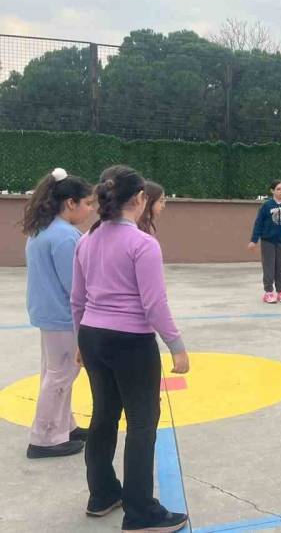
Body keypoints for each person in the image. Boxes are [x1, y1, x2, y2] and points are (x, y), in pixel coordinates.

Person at [71, 165, 189, 532]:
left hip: (92, 335)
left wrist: (79, 340)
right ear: (140, 198)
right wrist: (176, 345)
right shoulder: (142, 243)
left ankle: (102, 494)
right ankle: (141, 512)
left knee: (104, 415)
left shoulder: (87, 239)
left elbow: (77, 299)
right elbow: (154, 305)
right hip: (130, 341)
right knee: (142, 422)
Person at [21, 168, 94, 459]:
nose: (91, 209)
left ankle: (64, 426)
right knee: (61, 375)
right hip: (63, 318)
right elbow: (76, 286)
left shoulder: (43, 229)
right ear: (71, 203)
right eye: (87, 203)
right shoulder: (66, 237)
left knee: (55, 373)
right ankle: (44, 438)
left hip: (48, 314)